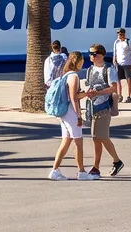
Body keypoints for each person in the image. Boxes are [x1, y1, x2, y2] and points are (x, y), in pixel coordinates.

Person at [84, 43, 123, 179]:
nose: (91, 56)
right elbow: (88, 85)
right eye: (90, 53)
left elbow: (113, 88)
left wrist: (98, 92)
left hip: (104, 106)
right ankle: (96, 167)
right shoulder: (89, 69)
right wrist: (88, 92)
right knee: (96, 138)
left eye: (94, 54)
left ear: (101, 54)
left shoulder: (108, 69)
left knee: (102, 137)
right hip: (92, 106)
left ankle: (116, 161)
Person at [48, 51, 87, 180]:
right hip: (71, 113)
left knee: (66, 141)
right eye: (82, 60)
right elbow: (73, 97)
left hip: (64, 113)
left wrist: (85, 94)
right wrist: (79, 115)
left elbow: (73, 95)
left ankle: (55, 170)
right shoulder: (74, 76)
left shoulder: (66, 75)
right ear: (78, 62)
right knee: (78, 141)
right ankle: (81, 172)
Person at [112, 28, 131, 103]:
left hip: (127, 64)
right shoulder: (116, 42)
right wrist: (114, 59)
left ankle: (129, 96)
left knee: (128, 80)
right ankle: (120, 95)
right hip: (119, 64)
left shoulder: (128, 42)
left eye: (121, 34)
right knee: (118, 80)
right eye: (118, 34)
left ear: (124, 34)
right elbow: (115, 52)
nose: (119, 35)